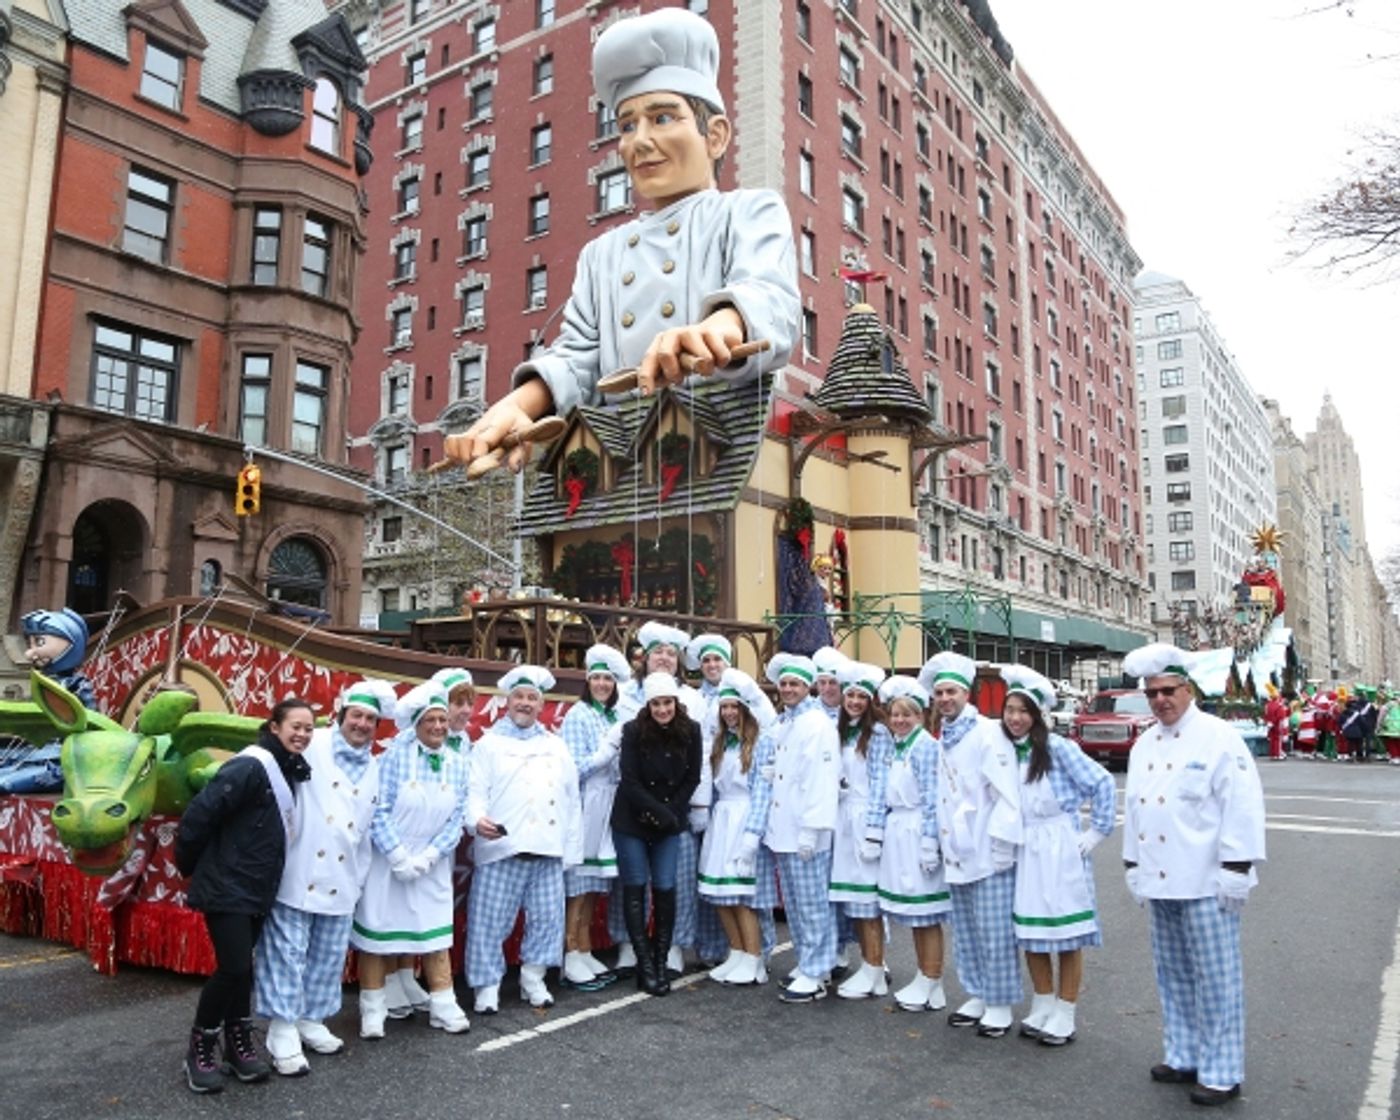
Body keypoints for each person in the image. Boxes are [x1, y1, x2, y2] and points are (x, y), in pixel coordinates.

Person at [447, 6, 798, 472]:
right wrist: (520, 406)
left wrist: (721, 327)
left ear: (714, 136)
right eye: (628, 124)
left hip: (725, 455)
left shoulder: (749, 210)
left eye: (663, 117)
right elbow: (578, 361)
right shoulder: (602, 254)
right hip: (620, 465)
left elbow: (768, 295)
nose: (640, 141)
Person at [1121, 643, 1266, 1107]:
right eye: (1152, 693)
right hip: (1162, 878)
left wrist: (1237, 867)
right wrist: (1131, 864)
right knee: (1173, 975)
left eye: (1168, 690)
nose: (1160, 700)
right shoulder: (1144, 743)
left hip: (1206, 879)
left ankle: (1222, 1072)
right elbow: (1136, 808)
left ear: (1188, 689)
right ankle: (1183, 1054)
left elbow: (1241, 805)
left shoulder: (1219, 736)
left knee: (1217, 979)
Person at [254, 679, 393, 1076]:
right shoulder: (312, 744)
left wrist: (360, 878)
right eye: (357, 716)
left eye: (370, 719)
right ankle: (281, 1029)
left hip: (343, 877)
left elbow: (366, 828)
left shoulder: (374, 766)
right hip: (299, 871)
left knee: (327, 957)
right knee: (288, 954)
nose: (362, 724)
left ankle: (311, 1019)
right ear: (341, 715)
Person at [175, 697, 314, 1094]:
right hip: (226, 884)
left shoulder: (288, 768)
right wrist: (192, 868)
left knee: (243, 967)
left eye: (308, 728)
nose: (302, 734)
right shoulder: (251, 765)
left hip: (256, 885)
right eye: (295, 726)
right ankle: (200, 1049)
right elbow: (200, 815)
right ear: (274, 726)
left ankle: (238, 1045)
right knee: (234, 967)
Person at [997, 667, 1115, 1048]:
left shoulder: (1058, 747)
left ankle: (1066, 1010)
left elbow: (1101, 781)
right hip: (1025, 846)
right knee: (1030, 931)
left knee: (1066, 933)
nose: (1014, 718)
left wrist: (1096, 831)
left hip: (1060, 844)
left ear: (1038, 715)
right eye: (1009, 709)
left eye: (1023, 710)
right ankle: (1043, 1000)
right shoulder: (1004, 750)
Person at [351, 683, 471, 1038]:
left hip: (432, 862)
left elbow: (458, 817)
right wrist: (399, 856)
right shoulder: (392, 757)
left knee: (435, 938)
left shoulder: (459, 763)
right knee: (378, 936)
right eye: (430, 720)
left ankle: (444, 1005)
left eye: (441, 719)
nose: (437, 726)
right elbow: (378, 810)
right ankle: (372, 1009)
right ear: (416, 725)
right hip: (389, 861)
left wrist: (432, 855)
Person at [466, 666, 582, 1013]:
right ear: (507, 701)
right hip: (503, 848)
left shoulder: (556, 746)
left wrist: (571, 851)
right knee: (489, 921)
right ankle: (487, 987)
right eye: (519, 697)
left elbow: (571, 799)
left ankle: (534, 977)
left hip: (547, 849)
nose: (526, 703)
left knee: (547, 919)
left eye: (532, 698)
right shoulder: (488, 744)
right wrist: (476, 821)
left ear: (541, 705)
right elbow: (474, 792)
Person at [921, 651, 1024, 1037]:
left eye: (951, 691)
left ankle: (999, 1002)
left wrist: (1001, 844)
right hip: (956, 849)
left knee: (994, 930)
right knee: (965, 928)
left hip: (986, 847)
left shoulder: (987, 732)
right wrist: (933, 840)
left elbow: (1005, 792)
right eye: (939, 692)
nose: (945, 698)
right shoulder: (944, 736)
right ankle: (977, 992)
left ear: (967, 693)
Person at [609, 621, 709, 976]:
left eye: (671, 653)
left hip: (675, 806)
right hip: (631, 803)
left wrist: (695, 806)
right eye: (658, 653)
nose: (664, 658)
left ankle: (674, 947)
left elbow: (700, 762)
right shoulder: (623, 693)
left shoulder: (694, 699)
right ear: (644, 658)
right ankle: (628, 945)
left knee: (675, 878)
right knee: (631, 878)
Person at [747, 653, 840, 1002]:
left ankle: (817, 971)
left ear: (808, 686)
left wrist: (811, 829)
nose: (788, 689)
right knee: (798, 905)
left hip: (805, 832)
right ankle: (808, 961)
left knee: (813, 904)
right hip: (782, 830)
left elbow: (821, 779)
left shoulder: (816, 724)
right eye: (784, 683)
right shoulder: (785, 723)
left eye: (795, 684)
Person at [865, 675, 952, 1010]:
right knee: (915, 913)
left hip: (917, 830)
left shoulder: (926, 747)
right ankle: (926, 978)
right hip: (898, 829)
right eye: (895, 714)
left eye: (907, 714)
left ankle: (932, 978)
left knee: (926, 912)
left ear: (920, 716)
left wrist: (930, 841)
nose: (899, 720)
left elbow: (932, 798)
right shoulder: (895, 746)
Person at [697, 667, 775, 986]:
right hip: (722, 821)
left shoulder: (759, 744)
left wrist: (752, 837)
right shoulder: (721, 744)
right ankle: (737, 952)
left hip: (744, 820)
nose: (729, 713)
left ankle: (754, 957)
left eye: (734, 707)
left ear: (745, 709)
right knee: (720, 892)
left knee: (743, 895)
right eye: (724, 707)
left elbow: (762, 793)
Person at [558, 644, 629, 990]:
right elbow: (572, 767)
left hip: (610, 802)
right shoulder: (579, 714)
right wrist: (605, 754)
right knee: (579, 884)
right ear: (587, 681)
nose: (602, 683)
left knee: (595, 885)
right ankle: (570, 950)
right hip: (588, 802)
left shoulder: (612, 715)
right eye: (597, 678)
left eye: (608, 679)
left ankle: (584, 947)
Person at [827, 661, 893, 999]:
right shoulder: (840, 729)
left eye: (860, 696)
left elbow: (881, 782)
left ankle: (875, 969)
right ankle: (868, 966)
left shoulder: (878, 733)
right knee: (853, 901)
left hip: (864, 817)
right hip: (843, 819)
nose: (853, 701)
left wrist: (874, 830)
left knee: (868, 902)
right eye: (849, 694)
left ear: (871, 700)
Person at [812, 646, 851, 723]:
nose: (827, 688)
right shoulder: (808, 711)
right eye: (822, 683)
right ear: (816, 685)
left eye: (832, 682)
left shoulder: (853, 710)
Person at [1377, 689, 1400, 764]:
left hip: (1390, 726)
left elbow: (1381, 716)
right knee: (1398, 742)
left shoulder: (1388, 705)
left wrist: (1378, 726)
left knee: (1391, 742)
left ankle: (1394, 756)